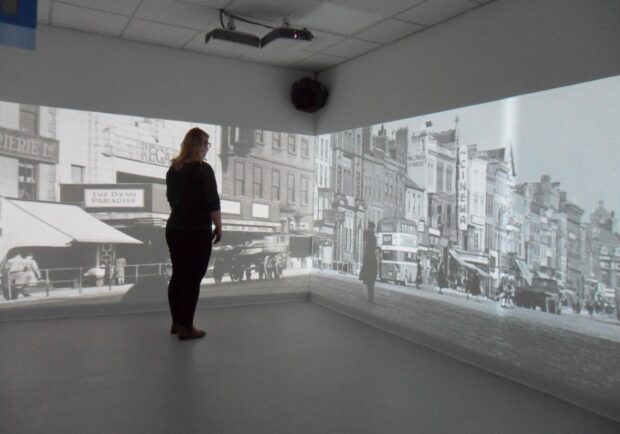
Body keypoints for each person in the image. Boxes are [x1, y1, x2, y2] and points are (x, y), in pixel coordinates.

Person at [166, 127, 222, 341]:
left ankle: (176, 322)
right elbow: (212, 202)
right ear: (198, 145)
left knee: (178, 276)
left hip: (175, 229)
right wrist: (219, 226)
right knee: (192, 279)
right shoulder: (203, 169)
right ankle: (187, 328)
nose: (207, 148)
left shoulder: (174, 169)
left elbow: (171, 199)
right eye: (206, 144)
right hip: (196, 232)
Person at [358, 221, 378, 302]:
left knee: (370, 282)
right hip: (369, 261)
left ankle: (371, 298)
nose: (371, 229)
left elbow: (370, 250)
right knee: (370, 283)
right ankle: (371, 298)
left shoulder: (371, 237)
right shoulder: (371, 236)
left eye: (371, 228)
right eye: (370, 228)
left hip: (370, 261)